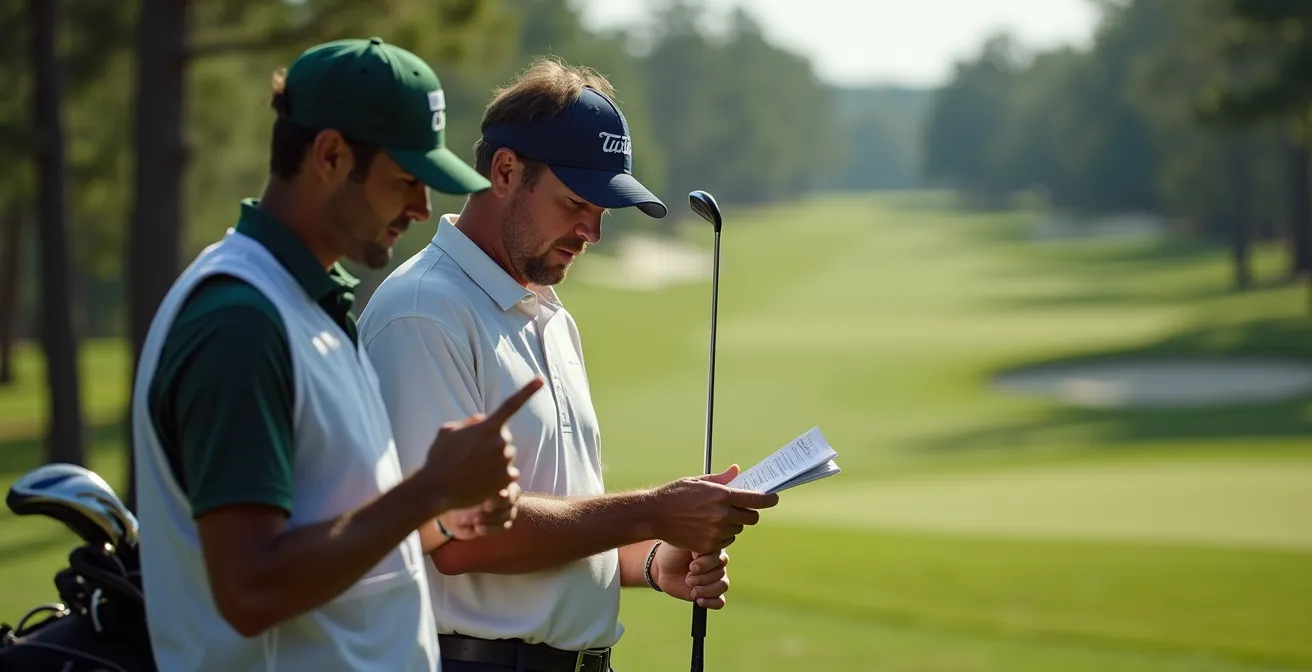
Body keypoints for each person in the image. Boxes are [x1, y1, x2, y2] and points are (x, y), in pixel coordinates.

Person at [130, 37, 543, 672]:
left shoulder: (304, 302)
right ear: (329, 155)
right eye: (405, 179)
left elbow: (338, 529)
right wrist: (431, 487)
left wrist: (448, 511)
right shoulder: (240, 322)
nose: (421, 208)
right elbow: (251, 588)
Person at [357, 57, 780, 672]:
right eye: (576, 203)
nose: (593, 232)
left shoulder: (546, 313)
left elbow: (563, 513)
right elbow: (456, 536)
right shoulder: (423, 311)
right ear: (505, 171)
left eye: (604, 212)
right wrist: (651, 509)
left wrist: (654, 558)